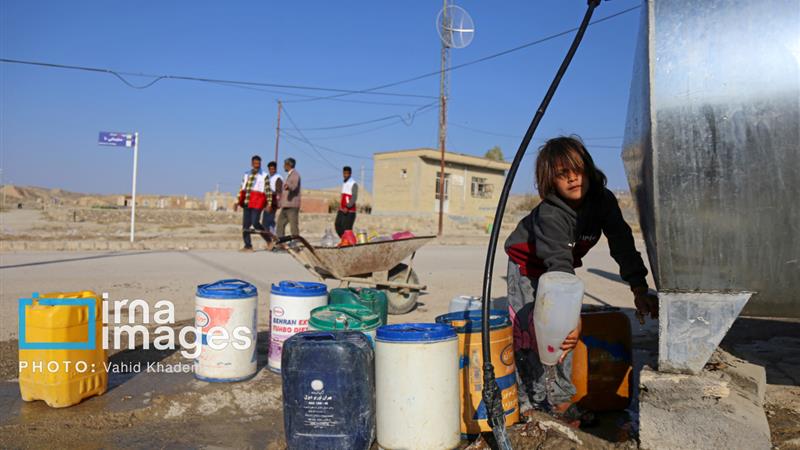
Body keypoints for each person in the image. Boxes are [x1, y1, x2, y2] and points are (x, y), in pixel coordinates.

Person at [504, 136, 658, 424]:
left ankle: (561, 402)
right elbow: (559, 266)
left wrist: (639, 288)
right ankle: (529, 403)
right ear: (550, 181)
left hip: (560, 271)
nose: (573, 178)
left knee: (565, 337)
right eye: (562, 174)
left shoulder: (603, 201)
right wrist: (570, 316)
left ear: (588, 169)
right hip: (528, 268)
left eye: (578, 170)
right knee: (532, 334)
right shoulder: (551, 214)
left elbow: (622, 243)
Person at [235, 155, 271, 252]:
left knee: (255, 223)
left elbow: (268, 190)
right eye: (255, 163)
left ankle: (269, 240)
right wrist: (237, 201)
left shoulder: (264, 175)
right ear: (251, 164)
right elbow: (242, 188)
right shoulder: (246, 174)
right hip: (247, 201)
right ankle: (248, 246)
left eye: (258, 164)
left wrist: (269, 203)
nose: (257, 165)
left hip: (258, 202)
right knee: (245, 225)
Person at [276, 157, 301, 238]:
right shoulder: (288, 175)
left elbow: (294, 186)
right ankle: (281, 242)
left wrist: (288, 186)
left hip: (292, 206)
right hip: (286, 205)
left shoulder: (295, 174)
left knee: (293, 226)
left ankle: (296, 241)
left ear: (288, 165)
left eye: (284, 164)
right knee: (280, 224)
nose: (283, 166)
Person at [334, 166, 359, 237]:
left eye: (347, 173)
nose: (345, 175)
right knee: (337, 224)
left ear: (350, 174)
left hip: (349, 211)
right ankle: (344, 240)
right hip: (342, 210)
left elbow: (354, 197)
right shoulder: (344, 183)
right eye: (344, 173)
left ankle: (349, 241)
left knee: (347, 229)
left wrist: (347, 207)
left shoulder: (353, 184)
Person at [262, 161, 283, 234]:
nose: (271, 171)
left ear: (275, 169)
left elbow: (279, 192)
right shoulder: (270, 177)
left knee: (268, 221)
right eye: (270, 169)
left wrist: (276, 203)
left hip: (273, 202)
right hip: (268, 201)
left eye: (273, 169)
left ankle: (272, 236)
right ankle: (270, 236)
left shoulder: (278, 178)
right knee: (266, 221)